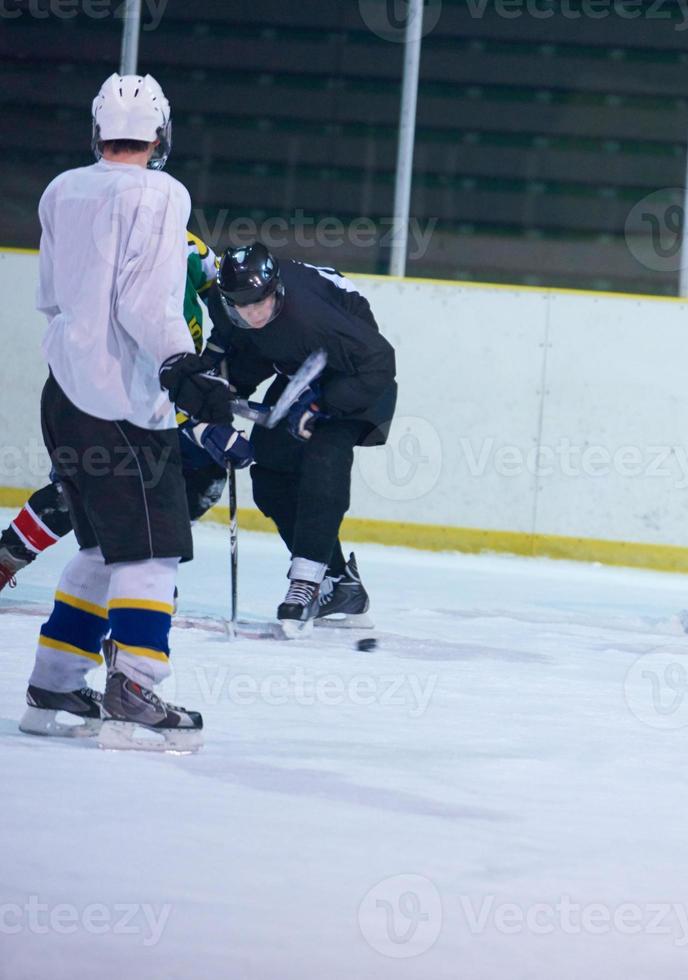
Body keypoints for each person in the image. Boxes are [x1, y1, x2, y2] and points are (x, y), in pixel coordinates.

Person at [20, 74, 232, 750]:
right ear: (161, 134)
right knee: (152, 547)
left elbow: (52, 295)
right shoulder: (163, 194)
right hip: (121, 400)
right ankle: (136, 687)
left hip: (63, 393)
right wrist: (183, 366)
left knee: (101, 547)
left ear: (97, 131)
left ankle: (53, 683)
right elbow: (147, 303)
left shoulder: (61, 189)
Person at [0, 232, 252, 593]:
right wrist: (202, 426)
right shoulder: (108, 259)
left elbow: (221, 284)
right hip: (99, 392)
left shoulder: (184, 245)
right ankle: (9, 555)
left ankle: (147, 562)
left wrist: (222, 339)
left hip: (166, 387)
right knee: (81, 488)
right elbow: (144, 381)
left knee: (205, 470)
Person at [206, 242, 397, 636]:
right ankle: (341, 584)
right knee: (271, 477)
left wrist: (324, 404)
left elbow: (380, 361)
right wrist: (223, 393)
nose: (253, 313)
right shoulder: (241, 310)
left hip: (356, 375)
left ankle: (306, 580)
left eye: (260, 302)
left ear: (277, 288)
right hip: (304, 368)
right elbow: (256, 350)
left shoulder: (311, 317)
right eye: (242, 305)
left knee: (324, 457)